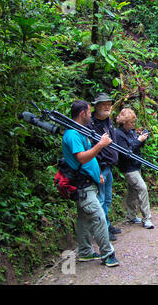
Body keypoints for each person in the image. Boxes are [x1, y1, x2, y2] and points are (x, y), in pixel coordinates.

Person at [62, 100, 119, 267]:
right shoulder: (72, 134)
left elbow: (89, 158)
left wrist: (97, 174)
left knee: (84, 220)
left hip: (88, 182)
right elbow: (82, 157)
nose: (91, 114)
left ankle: (85, 252)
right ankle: (108, 254)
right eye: (89, 111)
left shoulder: (80, 131)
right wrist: (101, 145)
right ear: (82, 114)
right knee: (99, 217)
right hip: (82, 187)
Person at [87, 93, 121, 241]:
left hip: (109, 166)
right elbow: (90, 147)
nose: (107, 107)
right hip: (100, 167)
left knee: (107, 199)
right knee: (100, 200)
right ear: (97, 106)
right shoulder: (91, 124)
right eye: (103, 104)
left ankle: (106, 225)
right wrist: (98, 170)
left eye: (109, 104)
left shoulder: (108, 121)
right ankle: (102, 230)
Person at [114, 108, 154, 229]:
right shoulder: (118, 134)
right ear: (124, 122)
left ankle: (130, 217)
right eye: (131, 122)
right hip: (128, 168)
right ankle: (147, 219)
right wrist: (138, 140)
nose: (133, 124)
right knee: (142, 188)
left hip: (136, 165)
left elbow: (136, 147)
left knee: (132, 192)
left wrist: (142, 139)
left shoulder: (130, 131)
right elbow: (126, 152)